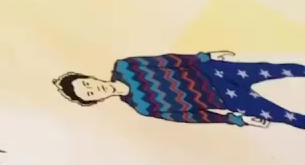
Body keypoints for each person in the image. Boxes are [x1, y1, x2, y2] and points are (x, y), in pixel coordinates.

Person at [54, 51, 305, 130]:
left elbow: (167, 60)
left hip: (213, 71)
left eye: (87, 84)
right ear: (95, 101)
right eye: (89, 94)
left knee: (274, 69)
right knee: (283, 115)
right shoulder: (142, 107)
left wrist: (204, 56)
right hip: (222, 99)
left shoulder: (126, 66)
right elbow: (191, 117)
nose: (94, 88)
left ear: (89, 77)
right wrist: (236, 120)